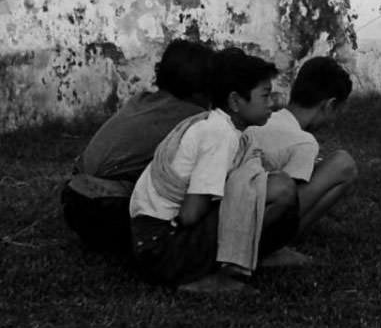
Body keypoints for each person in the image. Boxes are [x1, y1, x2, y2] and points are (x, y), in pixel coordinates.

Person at [128, 48, 300, 294]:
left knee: (261, 187)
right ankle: (204, 274)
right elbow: (190, 213)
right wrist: (235, 206)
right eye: (265, 96)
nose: (272, 103)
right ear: (234, 102)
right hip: (161, 247)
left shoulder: (216, 125)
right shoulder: (219, 134)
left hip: (152, 240)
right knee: (278, 189)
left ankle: (249, 254)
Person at [61, 38, 213, 253]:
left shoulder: (141, 100)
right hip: (108, 208)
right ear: (202, 88)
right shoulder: (192, 118)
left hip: (73, 197)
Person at [246, 55, 358, 245]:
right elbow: (286, 200)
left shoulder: (267, 120)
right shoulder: (304, 142)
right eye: (337, 112)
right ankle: (276, 246)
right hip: (249, 230)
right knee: (343, 164)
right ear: (329, 105)